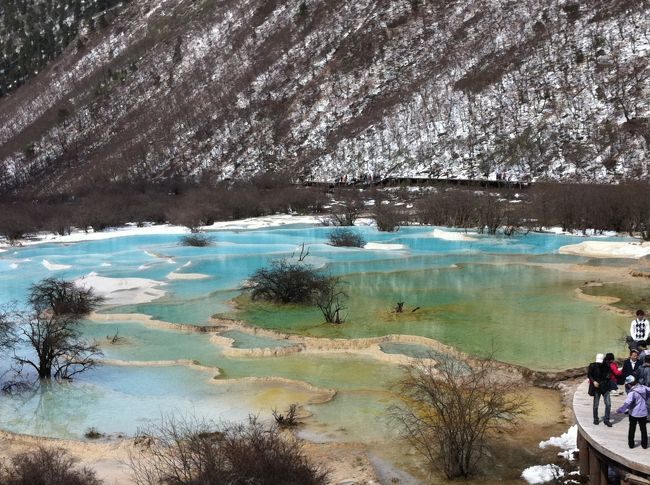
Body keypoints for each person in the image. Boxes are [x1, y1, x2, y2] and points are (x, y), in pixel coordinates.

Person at [616, 375, 650, 449]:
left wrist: (620, 410)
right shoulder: (643, 388)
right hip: (643, 413)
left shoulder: (632, 393)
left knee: (632, 428)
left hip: (634, 413)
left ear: (629, 384)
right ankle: (644, 445)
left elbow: (627, 404)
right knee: (643, 429)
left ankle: (631, 444)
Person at [588, 353, 613, 426]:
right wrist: (594, 381)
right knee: (596, 405)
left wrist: (608, 376)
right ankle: (595, 418)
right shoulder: (592, 366)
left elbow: (610, 373)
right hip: (596, 388)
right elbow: (589, 375)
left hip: (605, 387)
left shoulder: (607, 365)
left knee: (608, 404)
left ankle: (606, 419)